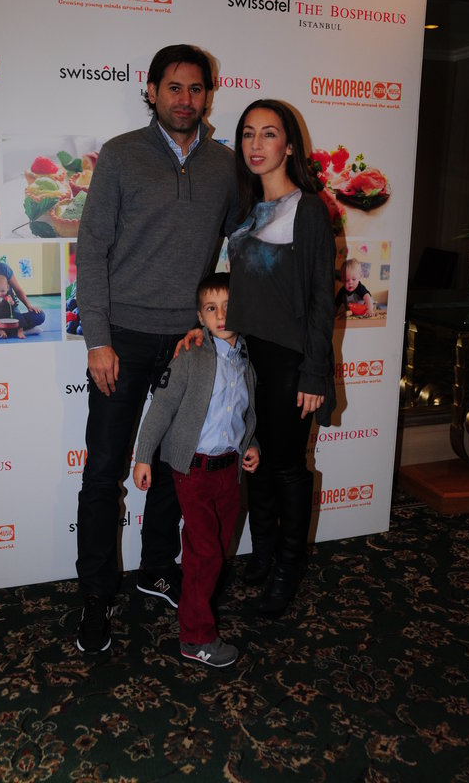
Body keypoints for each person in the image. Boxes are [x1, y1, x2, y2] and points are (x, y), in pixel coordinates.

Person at [74, 44, 237, 654]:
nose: (185, 100)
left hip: (190, 341)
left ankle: (157, 569)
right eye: (174, 87)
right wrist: (98, 339)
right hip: (122, 337)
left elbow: (244, 243)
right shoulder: (120, 155)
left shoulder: (225, 166)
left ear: (208, 95)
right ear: (151, 91)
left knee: (179, 463)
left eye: (196, 89)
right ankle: (96, 594)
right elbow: (92, 249)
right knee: (104, 471)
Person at [181, 99, 336, 618]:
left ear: (289, 146)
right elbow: (228, 288)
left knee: (288, 468)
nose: (255, 144)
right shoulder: (245, 211)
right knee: (258, 459)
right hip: (247, 358)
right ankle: (264, 554)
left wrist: (314, 372)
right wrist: (204, 326)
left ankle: (288, 571)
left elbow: (322, 299)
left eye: (269, 134)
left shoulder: (308, 209)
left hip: (291, 362)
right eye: (248, 133)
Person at [133, 273, 259, 667]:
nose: (221, 315)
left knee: (214, 552)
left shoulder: (245, 360)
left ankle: (195, 604)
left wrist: (251, 444)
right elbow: (162, 407)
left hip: (229, 471)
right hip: (194, 470)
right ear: (200, 317)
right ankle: (196, 637)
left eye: (228, 307)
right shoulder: (191, 355)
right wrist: (143, 455)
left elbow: (244, 413)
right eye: (211, 308)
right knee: (204, 554)